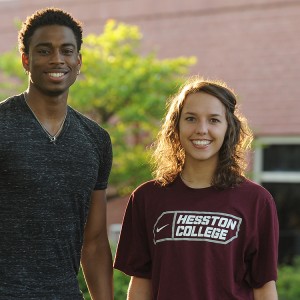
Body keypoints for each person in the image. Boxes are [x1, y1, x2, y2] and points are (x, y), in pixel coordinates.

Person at [114, 76, 279, 299]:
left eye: (213, 120)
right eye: (191, 118)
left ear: (228, 128)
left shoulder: (256, 201)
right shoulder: (147, 198)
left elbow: (263, 285)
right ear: (176, 126)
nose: (202, 129)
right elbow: (142, 281)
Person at [0, 8, 113, 300]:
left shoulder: (96, 139)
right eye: (44, 50)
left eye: (66, 51)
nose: (57, 59)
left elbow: (96, 241)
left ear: (78, 61)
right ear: (26, 60)